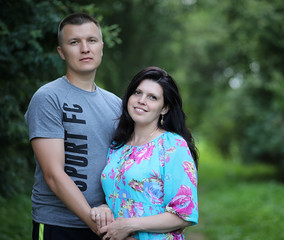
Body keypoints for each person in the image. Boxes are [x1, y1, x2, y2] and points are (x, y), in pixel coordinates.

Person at [25, 13, 125, 240]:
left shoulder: (117, 105)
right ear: (61, 52)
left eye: (91, 40)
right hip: (58, 226)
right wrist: (98, 225)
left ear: (101, 46)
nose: (84, 48)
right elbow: (53, 175)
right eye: (74, 42)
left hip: (108, 222)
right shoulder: (48, 98)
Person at [90, 66, 199, 240]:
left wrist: (129, 225)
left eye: (152, 97)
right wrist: (104, 208)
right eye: (137, 93)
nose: (141, 100)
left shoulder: (173, 146)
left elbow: (184, 214)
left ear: (164, 108)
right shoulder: (118, 146)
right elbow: (122, 195)